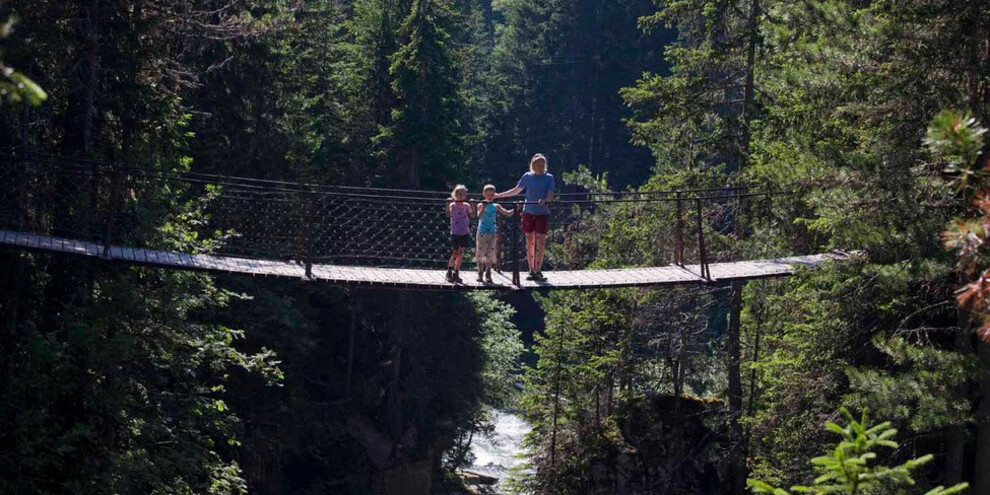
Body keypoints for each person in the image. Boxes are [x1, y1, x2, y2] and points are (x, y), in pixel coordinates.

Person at [495, 153, 554, 281]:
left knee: (541, 242)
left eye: (542, 164)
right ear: (533, 165)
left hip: (542, 214)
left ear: (545, 165)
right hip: (528, 213)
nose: (540, 166)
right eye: (537, 164)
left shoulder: (549, 178)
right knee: (530, 242)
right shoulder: (527, 176)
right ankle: (531, 270)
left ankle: (538, 270)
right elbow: (516, 190)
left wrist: (544, 201)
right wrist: (498, 196)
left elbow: (550, 197)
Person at [476, 184, 516, 283]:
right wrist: (483, 207)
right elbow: (479, 216)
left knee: (491, 253)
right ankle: (480, 273)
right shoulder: (480, 205)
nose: (490, 197)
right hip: (482, 231)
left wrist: (517, 208)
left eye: (492, 195)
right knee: (480, 252)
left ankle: (488, 273)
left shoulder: (496, 206)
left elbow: (507, 213)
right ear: (484, 194)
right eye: (488, 194)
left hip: (492, 231)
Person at [446, 185, 474, 283]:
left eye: (463, 194)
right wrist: (447, 204)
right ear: (455, 195)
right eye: (459, 194)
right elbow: (448, 214)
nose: (461, 196)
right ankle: (449, 270)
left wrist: (472, 206)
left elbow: (471, 216)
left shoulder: (467, 205)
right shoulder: (453, 205)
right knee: (455, 253)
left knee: (461, 253)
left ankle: (456, 272)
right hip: (455, 232)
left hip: (464, 232)